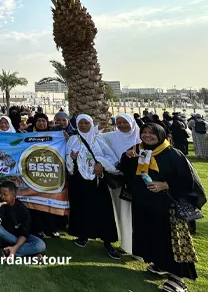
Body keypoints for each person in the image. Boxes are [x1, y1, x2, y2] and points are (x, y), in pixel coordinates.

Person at [120, 123, 203, 292]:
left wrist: (165, 184)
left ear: (161, 134)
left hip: (168, 207)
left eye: (152, 133)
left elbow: (188, 182)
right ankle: (161, 264)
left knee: (172, 242)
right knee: (153, 237)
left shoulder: (173, 154)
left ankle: (178, 279)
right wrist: (127, 157)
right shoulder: (139, 150)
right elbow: (128, 173)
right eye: (144, 133)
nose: (147, 136)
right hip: (146, 205)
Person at [66, 114, 121, 259]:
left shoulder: (98, 139)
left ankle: (108, 242)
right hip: (80, 180)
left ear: (91, 124)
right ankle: (83, 236)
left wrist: (101, 164)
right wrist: (72, 158)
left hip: (97, 180)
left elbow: (110, 156)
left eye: (86, 123)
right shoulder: (73, 139)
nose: (83, 126)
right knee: (82, 208)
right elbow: (68, 159)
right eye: (80, 123)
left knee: (103, 210)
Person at [102, 113, 140, 255]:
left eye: (125, 122)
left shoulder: (141, 137)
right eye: (119, 122)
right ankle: (126, 245)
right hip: (118, 181)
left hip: (137, 183)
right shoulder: (112, 136)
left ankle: (138, 246)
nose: (122, 125)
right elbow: (92, 137)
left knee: (136, 215)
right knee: (122, 213)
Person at [0, 181, 46, 257]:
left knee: (41, 245)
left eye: (5, 195)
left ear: (14, 196)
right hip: (7, 235)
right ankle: (31, 253)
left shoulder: (22, 209)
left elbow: (25, 233)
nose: (2, 197)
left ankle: (9, 250)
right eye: (1, 194)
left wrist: (15, 248)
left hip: (21, 237)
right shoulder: (0, 204)